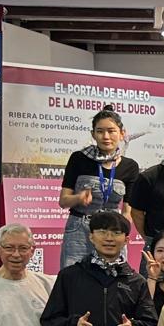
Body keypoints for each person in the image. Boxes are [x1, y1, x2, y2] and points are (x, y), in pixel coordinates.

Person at [57, 108, 139, 269]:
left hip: (113, 230)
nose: (106, 136)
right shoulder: (79, 158)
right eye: (100, 131)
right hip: (80, 229)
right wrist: (78, 198)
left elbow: (127, 212)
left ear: (122, 133)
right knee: (74, 277)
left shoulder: (130, 166)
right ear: (93, 134)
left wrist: (121, 232)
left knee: (114, 278)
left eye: (111, 131)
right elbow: (63, 201)